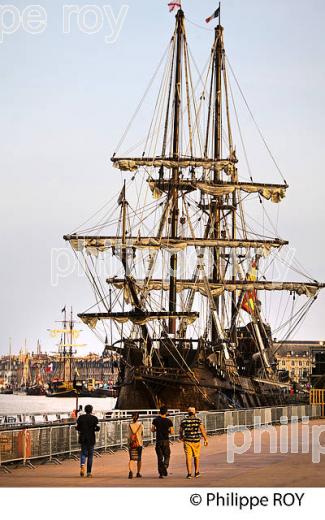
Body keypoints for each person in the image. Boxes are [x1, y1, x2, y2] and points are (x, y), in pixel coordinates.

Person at [179, 406, 208, 479]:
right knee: (196, 456)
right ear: (194, 412)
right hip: (196, 441)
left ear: (188, 412)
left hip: (187, 441)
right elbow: (202, 430)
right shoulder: (198, 420)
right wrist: (205, 439)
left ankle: (189, 473)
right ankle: (197, 472)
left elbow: (180, 430)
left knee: (188, 457)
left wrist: (181, 437)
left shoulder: (184, 421)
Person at [76, 404, 100, 478]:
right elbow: (96, 428)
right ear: (91, 410)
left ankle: (82, 465)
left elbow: (78, 428)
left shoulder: (81, 418)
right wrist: (97, 428)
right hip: (91, 439)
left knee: (83, 453)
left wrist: (78, 429)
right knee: (90, 456)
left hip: (83, 438)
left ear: (85, 410)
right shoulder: (94, 418)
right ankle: (89, 472)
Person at [151, 406, 174, 478]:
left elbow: (152, 429)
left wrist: (156, 430)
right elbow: (172, 432)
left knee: (159, 457)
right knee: (167, 455)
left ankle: (161, 474)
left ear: (159, 412)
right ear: (166, 412)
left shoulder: (155, 420)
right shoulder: (169, 421)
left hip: (158, 441)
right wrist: (168, 431)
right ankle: (165, 465)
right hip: (166, 440)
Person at [128, 412, 144, 479]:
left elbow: (129, 436)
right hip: (139, 443)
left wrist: (128, 443)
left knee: (132, 459)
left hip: (132, 444)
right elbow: (142, 435)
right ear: (138, 417)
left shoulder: (129, 425)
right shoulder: (141, 425)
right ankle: (138, 473)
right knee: (139, 459)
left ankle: (131, 471)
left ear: (132, 417)